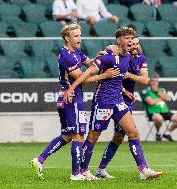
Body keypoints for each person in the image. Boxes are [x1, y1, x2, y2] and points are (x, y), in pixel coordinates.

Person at [64, 27, 162, 180]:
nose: (130, 41)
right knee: (93, 137)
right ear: (119, 40)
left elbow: (122, 75)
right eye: (127, 38)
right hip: (103, 102)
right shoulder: (108, 57)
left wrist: (123, 90)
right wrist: (71, 88)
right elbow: (87, 73)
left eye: (132, 39)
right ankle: (83, 170)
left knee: (133, 133)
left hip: (118, 101)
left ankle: (143, 170)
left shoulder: (129, 56)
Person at [30, 23, 120, 181]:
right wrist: (104, 76)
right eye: (76, 35)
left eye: (80, 35)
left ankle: (39, 160)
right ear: (67, 38)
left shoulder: (76, 52)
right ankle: (75, 174)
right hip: (71, 98)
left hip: (68, 98)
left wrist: (99, 58)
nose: (80, 38)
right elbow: (82, 78)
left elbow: (90, 64)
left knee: (66, 136)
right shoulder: (66, 56)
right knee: (79, 136)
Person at [95, 37, 149, 179]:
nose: (135, 47)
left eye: (137, 44)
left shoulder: (140, 58)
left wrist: (127, 75)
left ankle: (101, 169)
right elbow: (110, 76)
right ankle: (143, 169)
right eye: (132, 44)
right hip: (112, 98)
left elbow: (145, 80)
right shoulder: (117, 54)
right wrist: (124, 89)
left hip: (126, 102)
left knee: (119, 137)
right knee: (96, 135)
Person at [142, 75, 177, 141]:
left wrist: (157, 92)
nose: (154, 83)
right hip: (153, 112)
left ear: (158, 82)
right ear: (149, 82)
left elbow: (168, 99)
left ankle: (167, 133)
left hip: (165, 111)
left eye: (156, 81)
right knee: (159, 118)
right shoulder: (145, 91)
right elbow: (151, 102)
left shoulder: (161, 90)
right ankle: (158, 133)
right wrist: (161, 98)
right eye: (152, 81)